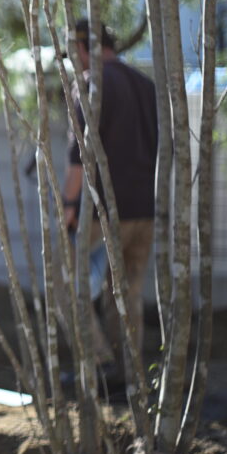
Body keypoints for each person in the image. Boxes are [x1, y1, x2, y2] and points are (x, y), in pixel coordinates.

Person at [62, 19, 158, 384]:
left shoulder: (89, 85)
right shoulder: (147, 87)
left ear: (84, 47)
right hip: (145, 211)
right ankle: (128, 375)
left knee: (63, 279)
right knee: (127, 292)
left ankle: (100, 364)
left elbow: (77, 158)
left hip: (107, 210)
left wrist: (68, 208)